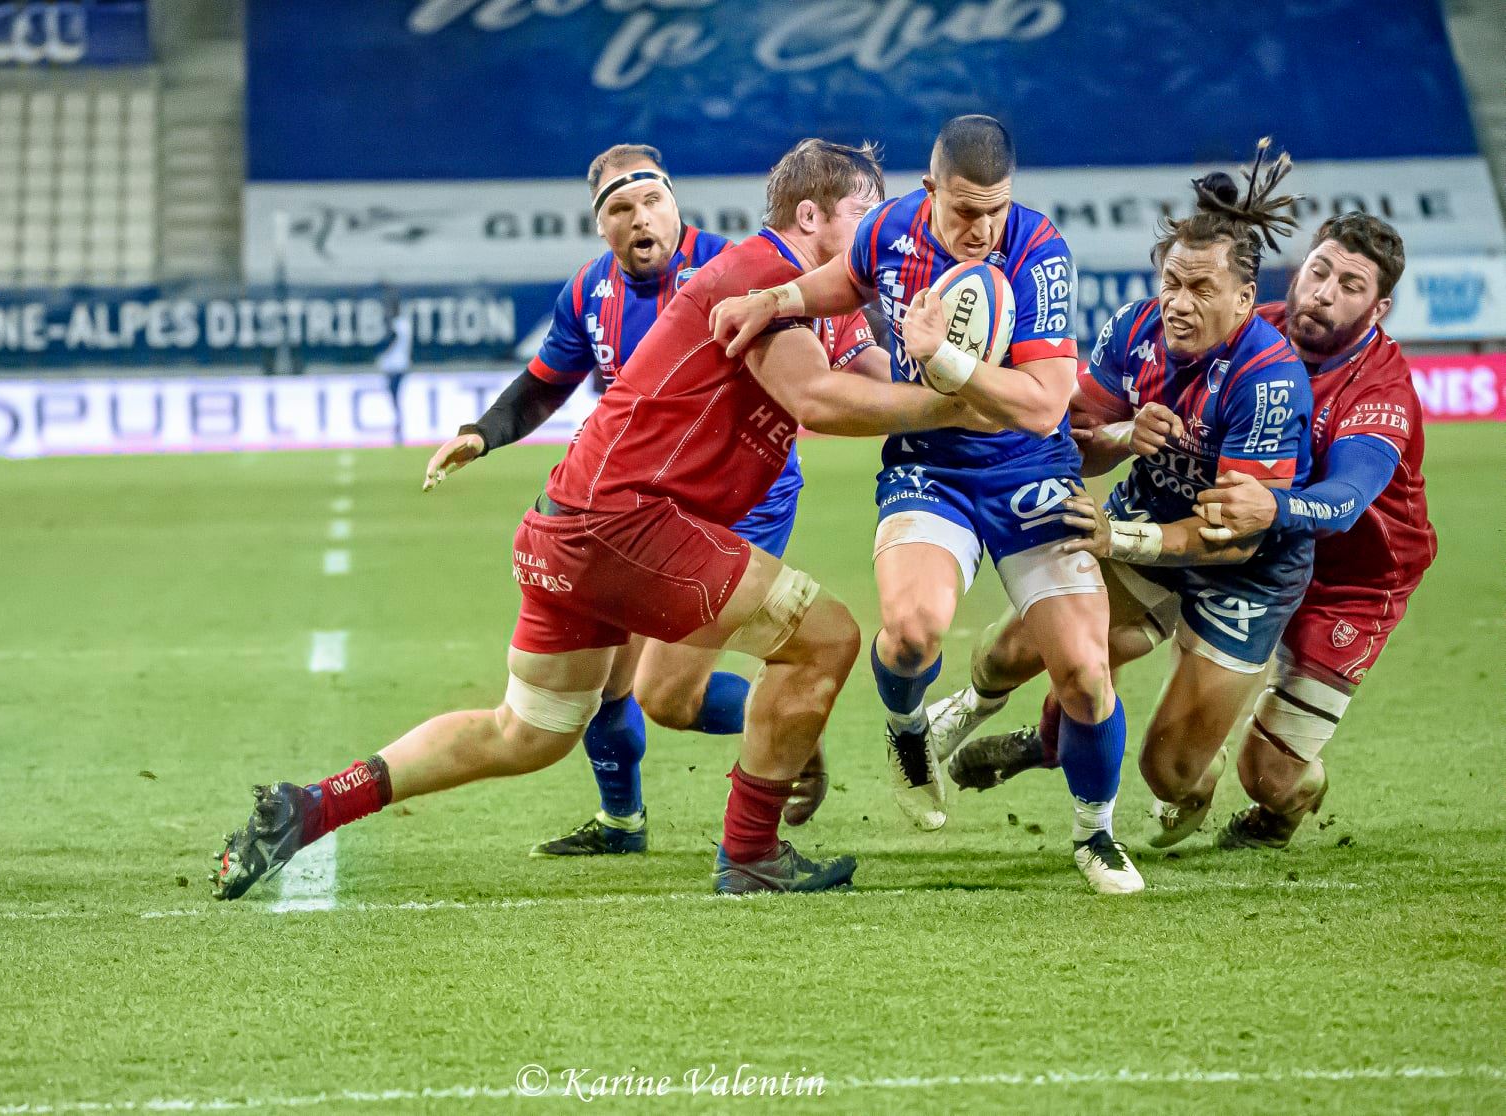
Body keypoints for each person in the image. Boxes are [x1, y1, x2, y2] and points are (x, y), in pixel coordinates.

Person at [211, 138, 969, 900]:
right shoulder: (762, 274)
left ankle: (309, 806)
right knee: (825, 639)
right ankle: (749, 853)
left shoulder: (798, 288)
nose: (883, 233)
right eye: (865, 213)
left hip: (567, 522)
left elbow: (872, 379)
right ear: (810, 216)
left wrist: (960, 378)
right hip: (629, 524)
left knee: (526, 733)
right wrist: (969, 401)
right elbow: (821, 401)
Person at [712, 115, 1140, 895]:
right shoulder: (890, 229)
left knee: (1081, 670)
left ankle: (1095, 834)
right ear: (929, 190)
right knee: (909, 636)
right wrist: (774, 298)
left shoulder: (1038, 251)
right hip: (929, 468)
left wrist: (940, 359)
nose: (982, 229)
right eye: (965, 210)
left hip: (1029, 470)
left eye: (996, 209)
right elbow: (841, 283)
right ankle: (908, 729)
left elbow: (1045, 406)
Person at [420, 144, 884, 857]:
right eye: (619, 209)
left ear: (673, 203)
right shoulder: (587, 293)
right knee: (631, 689)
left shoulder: (741, 270)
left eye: (651, 201)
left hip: (738, 500)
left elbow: (838, 358)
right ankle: (626, 822)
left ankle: (781, 735)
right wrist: (483, 435)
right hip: (638, 501)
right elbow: (548, 378)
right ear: (599, 225)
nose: (640, 219)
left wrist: (943, 389)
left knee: (655, 689)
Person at [950, 214, 1437, 850]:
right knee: (1081, 640)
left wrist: (1274, 509)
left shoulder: (1383, 392)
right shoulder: (1242, 330)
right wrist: (1122, 436)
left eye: (1350, 284)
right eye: (1319, 270)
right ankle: (1052, 741)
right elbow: (1106, 416)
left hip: (1347, 577)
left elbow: (1342, 503)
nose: (1324, 292)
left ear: (1380, 306)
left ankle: (1287, 802)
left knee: (1268, 774)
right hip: (1215, 540)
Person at [931, 143, 1315, 850]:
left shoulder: (1265, 380)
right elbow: (1070, 442)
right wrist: (1116, 431)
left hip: (1246, 571)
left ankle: (1224, 772)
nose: (1178, 302)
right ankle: (971, 707)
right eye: (1171, 281)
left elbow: (1239, 532)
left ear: (1242, 298)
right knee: (1018, 644)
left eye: (1201, 289)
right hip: (1151, 518)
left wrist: (1121, 539)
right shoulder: (1133, 330)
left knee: (1168, 773)